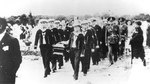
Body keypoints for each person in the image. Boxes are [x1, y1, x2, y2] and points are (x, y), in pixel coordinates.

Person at [0, 18, 22, 84]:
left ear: (1, 26)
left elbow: (17, 59)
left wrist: (11, 73)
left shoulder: (12, 40)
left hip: (7, 77)